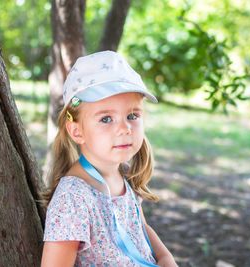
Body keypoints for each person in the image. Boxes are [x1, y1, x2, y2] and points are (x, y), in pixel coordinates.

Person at [41, 51, 178, 267]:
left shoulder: (122, 175)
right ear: (77, 132)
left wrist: (166, 259)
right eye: (106, 119)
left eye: (132, 116)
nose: (124, 128)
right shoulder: (73, 198)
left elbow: (139, 229)